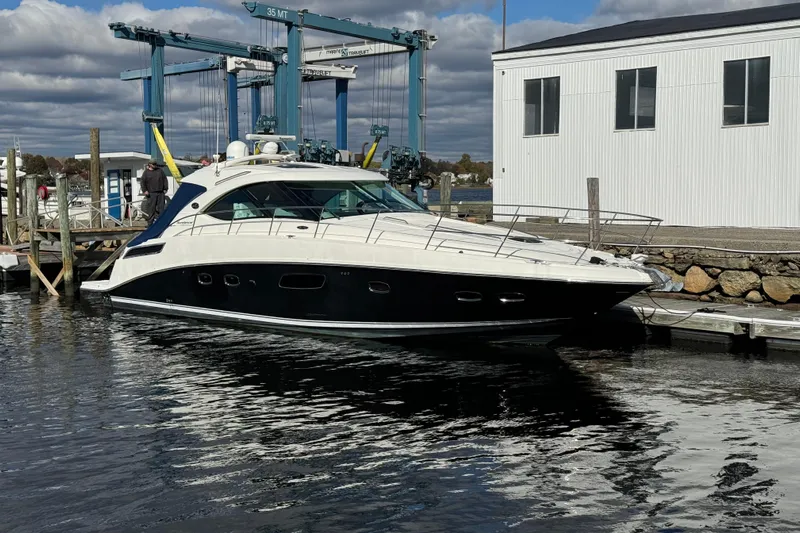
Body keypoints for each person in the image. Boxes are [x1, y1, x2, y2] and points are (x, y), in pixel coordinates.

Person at [141, 160, 169, 226]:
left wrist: (165, 188)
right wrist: (145, 190)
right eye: (153, 164)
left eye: (155, 164)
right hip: (151, 193)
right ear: (150, 164)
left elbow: (165, 179)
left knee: (161, 209)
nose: (155, 165)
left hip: (160, 193)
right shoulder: (146, 173)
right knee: (151, 209)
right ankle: (150, 224)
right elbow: (143, 182)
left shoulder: (160, 171)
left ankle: (162, 224)